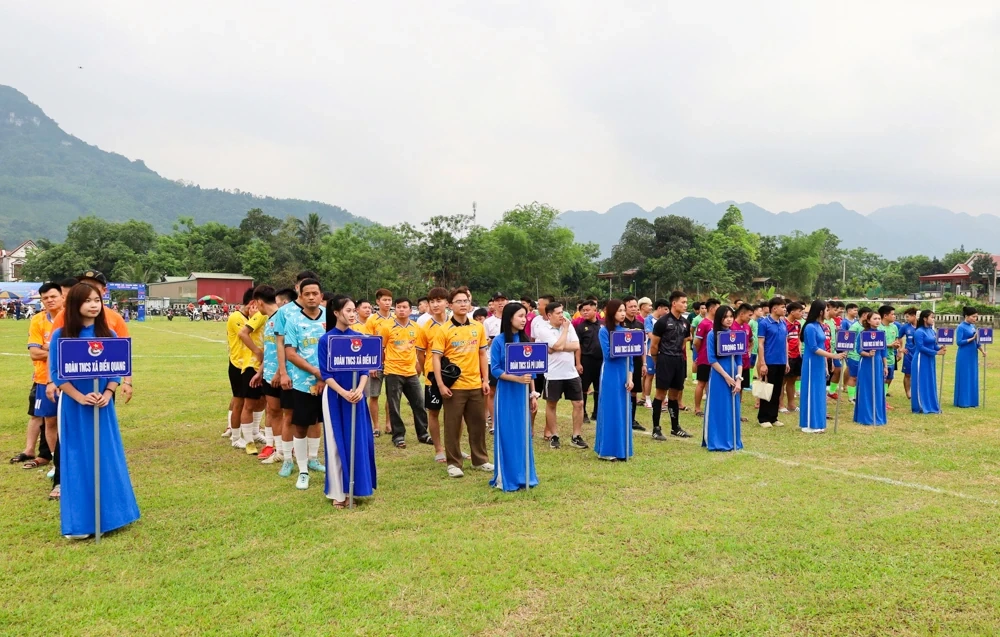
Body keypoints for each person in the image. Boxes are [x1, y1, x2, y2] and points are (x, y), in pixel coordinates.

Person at [49, 282, 139, 539]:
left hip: (103, 406)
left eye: (97, 300)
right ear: (75, 304)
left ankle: (114, 516)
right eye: (87, 300)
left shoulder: (109, 334)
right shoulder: (61, 335)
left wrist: (109, 392)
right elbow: (57, 374)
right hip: (75, 408)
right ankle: (80, 522)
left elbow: (116, 370)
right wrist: (79, 396)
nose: (93, 305)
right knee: (77, 457)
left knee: (106, 455)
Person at [317, 296, 377, 508]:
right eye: (349, 310)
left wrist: (359, 391)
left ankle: (354, 487)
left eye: (354, 310)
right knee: (335, 443)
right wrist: (343, 392)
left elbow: (364, 369)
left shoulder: (359, 337)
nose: (353, 314)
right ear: (336, 313)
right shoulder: (326, 340)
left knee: (357, 440)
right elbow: (326, 374)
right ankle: (337, 492)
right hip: (335, 396)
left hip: (357, 397)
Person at [432, 286, 492, 478]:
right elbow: (436, 358)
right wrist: (441, 384)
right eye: (458, 301)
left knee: (478, 424)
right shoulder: (443, 330)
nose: (463, 304)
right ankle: (454, 463)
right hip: (454, 387)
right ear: (450, 305)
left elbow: (482, 353)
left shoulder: (478, 327)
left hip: (475, 384)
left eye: (465, 301)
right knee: (452, 425)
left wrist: (485, 379)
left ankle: (480, 459)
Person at [280, 279, 328, 489]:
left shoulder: (330, 317)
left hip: (329, 383)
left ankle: (315, 458)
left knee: (320, 423)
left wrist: (323, 377)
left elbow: (337, 348)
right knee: (300, 426)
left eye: (314, 293)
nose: (311, 297)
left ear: (320, 295)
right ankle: (303, 471)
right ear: (301, 295)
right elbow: (290, 353)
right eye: (306, 293)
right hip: (302, 384)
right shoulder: (293, 321)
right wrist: (315, 372)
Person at [488, 302, 540, 491]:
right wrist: (516, 379)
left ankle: (524, 475)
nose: (523, 320)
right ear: (510, 317)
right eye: (520, 316)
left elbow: (532, 370)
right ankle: (506, 477)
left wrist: (533, 394)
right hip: (506, 393)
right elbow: (495, 369)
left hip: (523, 394)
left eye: (525, 316)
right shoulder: (499, 341)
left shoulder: (526, 340)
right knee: (507, 433)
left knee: (523, 433)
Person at [533, 300, 587, 449]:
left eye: (562, 312)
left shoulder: (568, 325)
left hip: (571, 372)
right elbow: (557, 345)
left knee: (579, 403)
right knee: (551, 404)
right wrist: (563, 334)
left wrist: (558, 346)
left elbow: (575, 345)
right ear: (549, 315)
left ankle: (576, 436)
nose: (561, 316)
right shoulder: (543, 329)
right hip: (553, 374)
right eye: (558, 313)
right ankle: (554, 435)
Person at [379, 297, 431, 448]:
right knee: (394, 406)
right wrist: (382, 365)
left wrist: (418, 366)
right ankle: (398, 435)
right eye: (399, 307)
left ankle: (423, 434)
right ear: (395, 309)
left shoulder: (416, 328)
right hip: (393, 371)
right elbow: (380, 348)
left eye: (404, 307)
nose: (401, 309)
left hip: (411, 372)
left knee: (419, 403)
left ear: (410, 310)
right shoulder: (387, 327)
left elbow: (419, 349)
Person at [649, 291, 692, 440]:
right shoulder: (662, 322)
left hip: (679, 360)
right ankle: (656, 428)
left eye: (686, 302)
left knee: (675, 394)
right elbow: (654, 345)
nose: (685, 305)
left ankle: (675, 427)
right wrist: (657, 360)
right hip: (664, 359)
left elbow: (684, 341)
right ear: (674, 303)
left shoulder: (685, 323)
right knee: (661, 394)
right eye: (683, 302)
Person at [249, 286, 286, 462]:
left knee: (279, 413)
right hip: (268, 374)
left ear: (259, 302)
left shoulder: (282, 317)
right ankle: (275, 448)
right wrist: (260, 371)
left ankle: (281, 451)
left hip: (279, 375)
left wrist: (280, 373)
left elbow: (287, 349)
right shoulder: (268, 320)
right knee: (272, 410)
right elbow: (271, 350)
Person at [415, 287, 450, 462]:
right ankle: (439, 449)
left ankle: (454, 447)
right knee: (434, 412)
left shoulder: (456, 323)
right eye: (432, 301)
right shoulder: (425, 327)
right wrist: (427, 371)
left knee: (455, 414)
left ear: (447, 303)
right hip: (432, 378)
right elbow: (420, 353)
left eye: (439, 301)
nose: (436, 305)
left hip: (455, 377)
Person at [595, 300, 633, 461]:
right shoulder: (604, 331)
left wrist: (630, 378)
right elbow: (608, 354)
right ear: (611, 313)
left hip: (624, 374)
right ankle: (606, 450)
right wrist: (622, 346)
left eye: (624, 310)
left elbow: (631, 360)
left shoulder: (626, 331)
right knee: (610, 409)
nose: (623, 313)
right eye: (619, 311)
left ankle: (623, 449)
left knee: (624, 410)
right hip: (610, 374)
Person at [800, 300, 846, 433]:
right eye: (826, 310)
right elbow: (814, 348)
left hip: (820, 362)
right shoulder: (810, 327)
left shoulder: (821, 326)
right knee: (811, 391)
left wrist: (826, 364)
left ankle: (817, 422)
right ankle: (808, 424)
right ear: (820, 311)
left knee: (819, 392)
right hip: (811, 363)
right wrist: (834, 356)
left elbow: (822, 346)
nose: (828, 312)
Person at [703, 305, 742, 451]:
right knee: (719, 407)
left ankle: (732, 439)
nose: (729, 320)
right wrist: (726, 376)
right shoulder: (712, 335)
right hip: (719, 376)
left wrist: (738, 379)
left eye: (731, 316)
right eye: (725, 317)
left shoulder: (736, 334)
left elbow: (739, 359)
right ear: (719, 318)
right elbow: (712, 359)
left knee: (732, 407)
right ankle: (717, 440)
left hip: (734, 376)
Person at [364, 288, 394, 435]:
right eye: (384, 300)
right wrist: (372, 365)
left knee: (391, 395)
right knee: (374, 395)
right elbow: (369, 344)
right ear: (378, 302)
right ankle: (375, 426)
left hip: (393, 363)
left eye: (389, 300)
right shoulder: (372, 320)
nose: (387, 303)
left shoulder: (395, 319)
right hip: (377, 364)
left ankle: (389, 424)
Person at [756, 297, 789, 428]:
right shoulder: (764, 323)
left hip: (781, 361)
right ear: (774, 308)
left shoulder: (783, 323)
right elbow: (761, 344)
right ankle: (763, 418)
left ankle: (773, 417)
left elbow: (785, 342)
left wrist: (786, 361)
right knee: (766, 390)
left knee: (777, 391)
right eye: (782, 307)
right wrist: (762, 363)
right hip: (769, 361)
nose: (785, 309)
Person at [853, 310, 888, 426]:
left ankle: (877, 414)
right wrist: (868, 354)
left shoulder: (881, 333)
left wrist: (885, 366)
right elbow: (859, 350)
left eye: (879, 319)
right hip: (866, 363)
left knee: (877, 387)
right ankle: (865, 415)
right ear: (868, 320)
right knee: (866, 388)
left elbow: (883, 352)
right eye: (875, 319)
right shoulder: (863, 334)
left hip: (878, 363)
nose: (877, 321)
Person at [575, 299, 602, 424]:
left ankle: (597, 412)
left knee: (599, 388)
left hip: (600, 361)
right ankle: (583, 412)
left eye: (587, 310)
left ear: (595, 310)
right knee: (584, 388)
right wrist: (578, 363)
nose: (585, 313)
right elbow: (578, 346)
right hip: (586, 360)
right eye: (583, 310)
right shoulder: (580, 327)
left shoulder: (603, 325)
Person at [912, 310, 944, 415]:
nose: (933, 319)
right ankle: (920, 405)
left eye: (934, 317)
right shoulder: (919, 332)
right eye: (932, 317)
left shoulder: (931, 330)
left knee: (930, 380)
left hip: (930, 358)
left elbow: (934, 345)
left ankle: (931, 404)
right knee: (921, 381)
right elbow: (920, 347)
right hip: (921, 359)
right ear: (925, 318)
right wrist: (936, 352)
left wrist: (940, 348)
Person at [621, 296, 647, 430]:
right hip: (622, 362)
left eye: (635, 306)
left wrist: (644, 363)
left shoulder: (640, 324)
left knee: (634, 392)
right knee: (622, 390)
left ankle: (631, 419)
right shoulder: (620, 323)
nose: (633, 309)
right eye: (630, 306)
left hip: (636, 361)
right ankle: (621, 419)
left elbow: (643, 345)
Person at [692, 298, 720, 417]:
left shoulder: (717, 323)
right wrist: (700, 354)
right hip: (705, 359)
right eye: (718, 308)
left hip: (716, 359)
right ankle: (697, 409)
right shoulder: (703, 323)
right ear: (712, 309)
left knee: (712, 383)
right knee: (701, 383)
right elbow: (696, 342)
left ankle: (710, 406)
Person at [954, 306, 985, 408]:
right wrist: (972, 338)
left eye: (976, 317)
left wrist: (982, 351)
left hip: (973, 354)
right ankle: (963, 401)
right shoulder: (961, 327)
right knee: (964, 376)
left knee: (972, 376)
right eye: (973, 317)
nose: (975, 319)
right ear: (966, 316)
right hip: (964, 354)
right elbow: (959, 342)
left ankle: (972, 401)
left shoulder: (972, 327)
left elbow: (977, 341)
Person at [779, 302, 803, 414]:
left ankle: (791, 404)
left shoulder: (798, 324)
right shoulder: (783, 323)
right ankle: (781, 404)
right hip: (786, 357)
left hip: (796, 356)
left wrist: (799, 349)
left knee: (792, 380)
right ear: (792, 312)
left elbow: (798, 338)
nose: (801, 313)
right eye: (799, 311)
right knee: (782, 381)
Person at [643, 300, 668, 408]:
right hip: (650, 352)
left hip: (664, 352)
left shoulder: (666, 320)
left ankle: (664, 397)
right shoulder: (648, 320)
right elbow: (651, 335)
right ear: (659, 308)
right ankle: (647, 398)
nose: (667, 312)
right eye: (665, 309)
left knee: (663, 375)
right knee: (650, 375)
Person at [844, 307, 871, 404]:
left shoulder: (869, 328)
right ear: (864, 315)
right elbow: (848, 340)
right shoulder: (855, 326)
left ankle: (860, 396)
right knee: (853, 377)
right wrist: (846, 353)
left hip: (865, 356)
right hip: (854, 355)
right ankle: (852, 397)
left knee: (862, 376)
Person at [899, 307, 918, 400]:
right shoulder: (905, 327)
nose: (906, 319)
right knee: (907, 374)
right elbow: (898, 337)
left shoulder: (922, 326)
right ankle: (908, 392)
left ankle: (918, 391)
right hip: (909, 354)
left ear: (914, 316)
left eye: (908, 317)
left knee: (919, 374)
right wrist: (901, 348)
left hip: (919, 354)